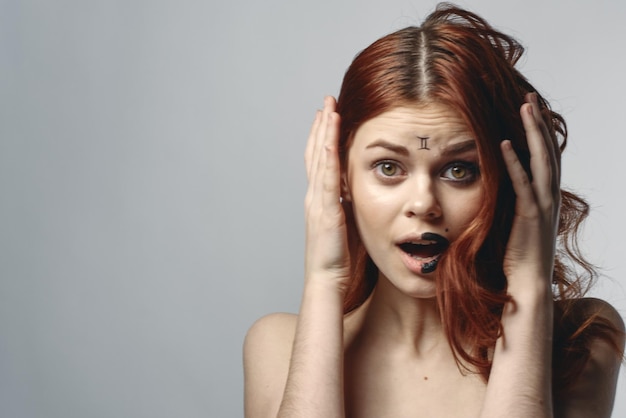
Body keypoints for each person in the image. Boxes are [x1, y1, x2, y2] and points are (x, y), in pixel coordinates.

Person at [243, 4, 625, 417]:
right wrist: (323, 279)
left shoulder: (581, 341)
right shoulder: (276, 345)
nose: (424, 203)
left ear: (514, 179)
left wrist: (529, 287)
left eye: (459, 170)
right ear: (339, 177)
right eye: (388, 168)